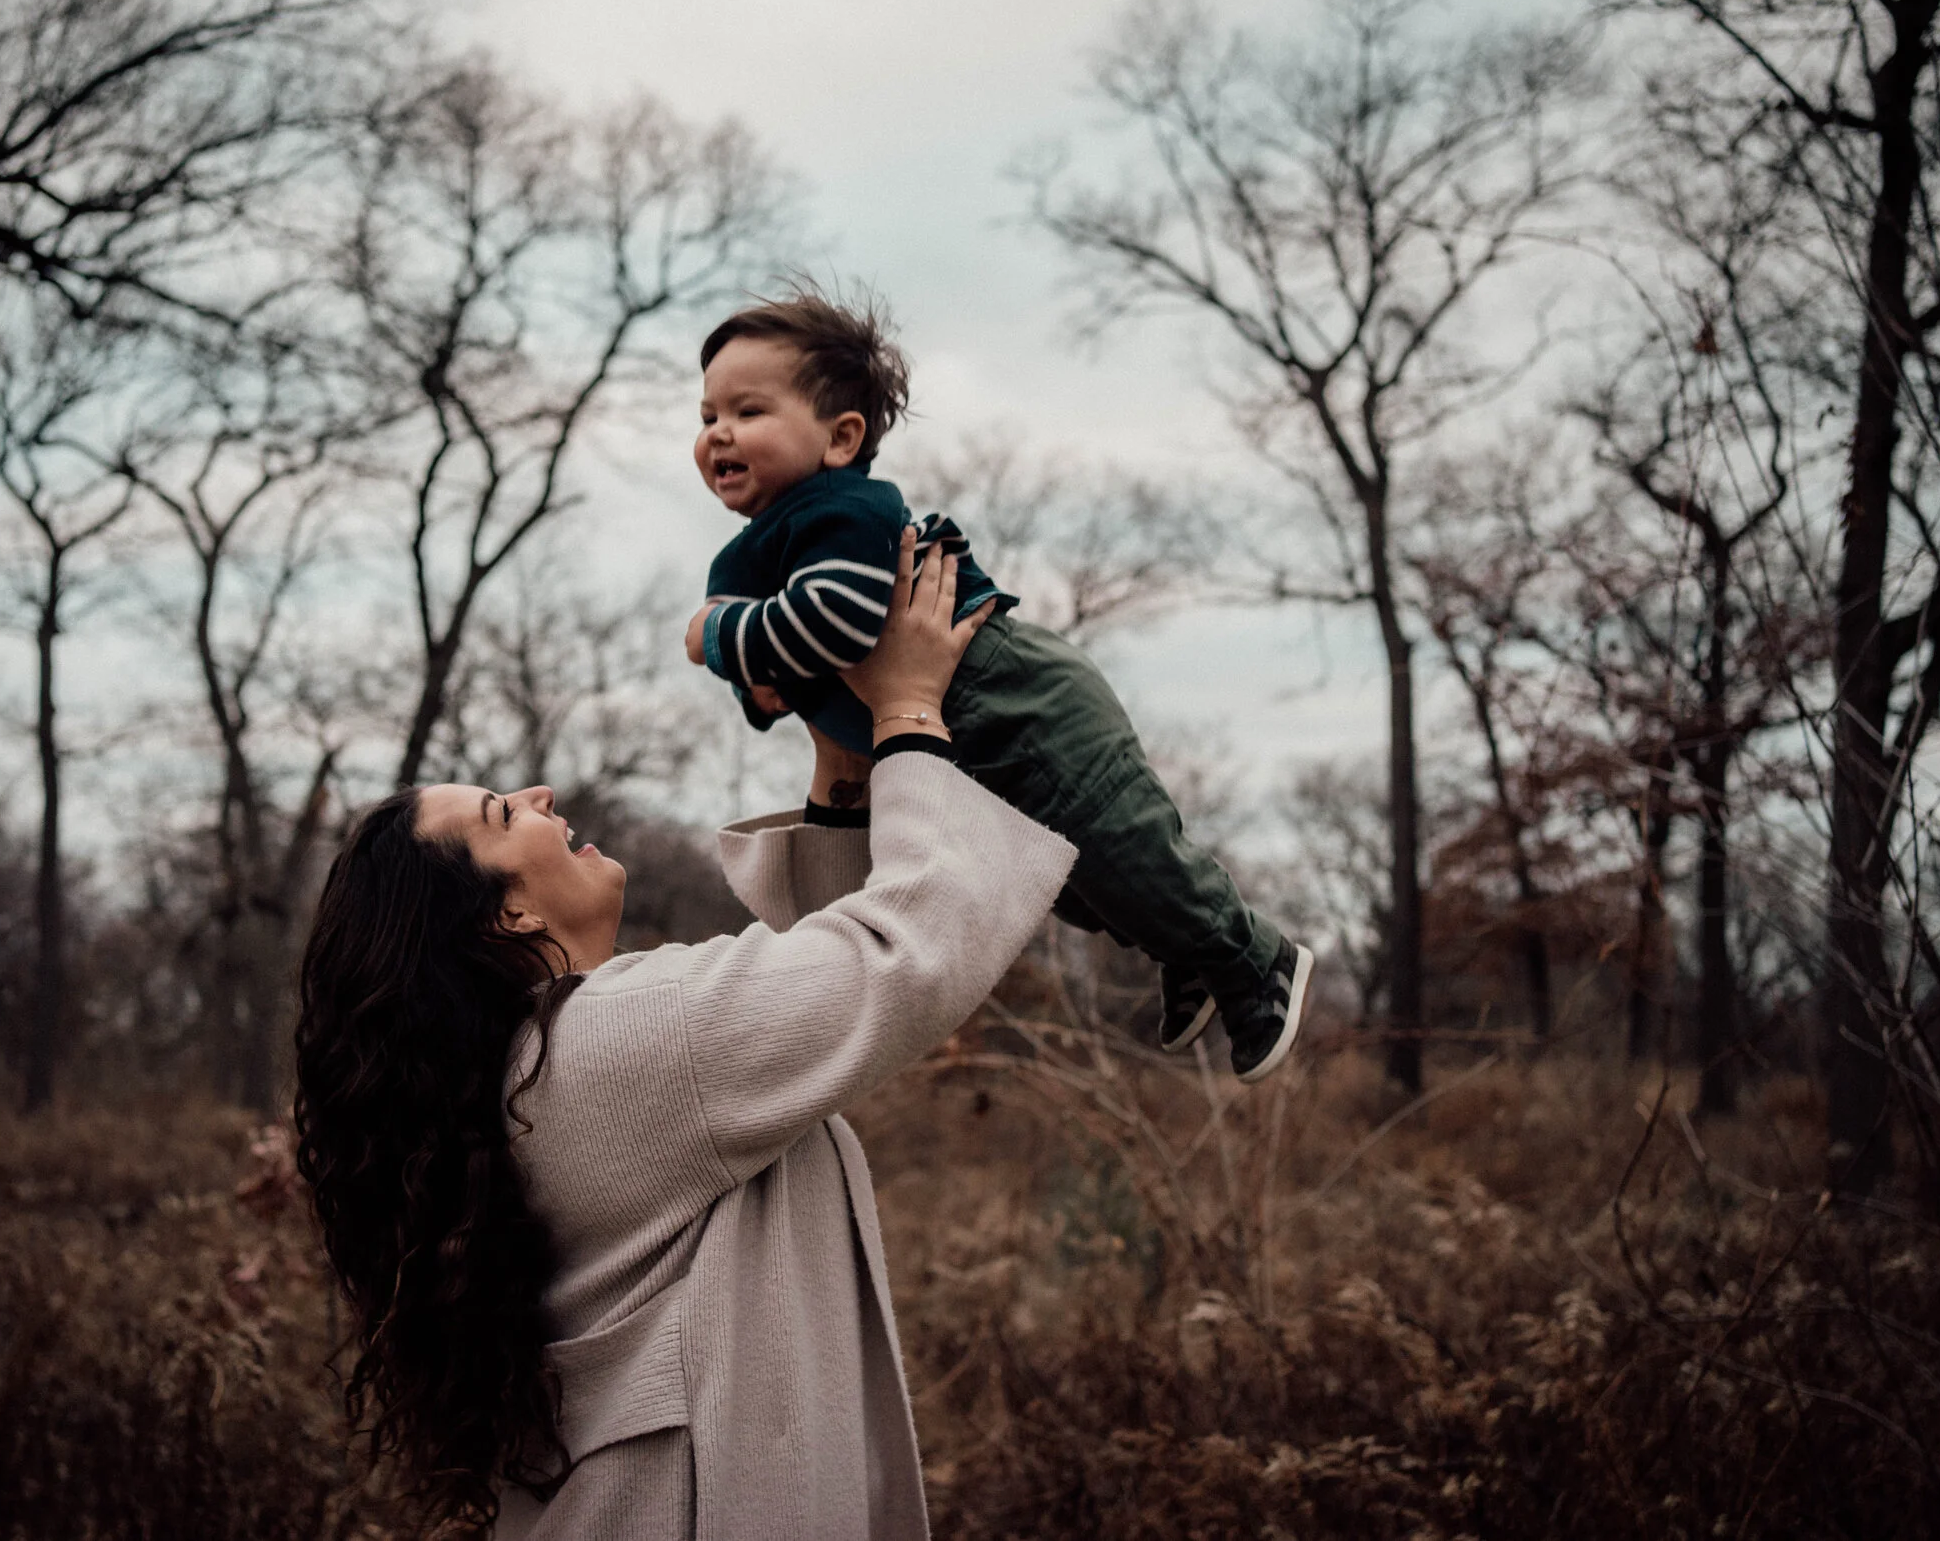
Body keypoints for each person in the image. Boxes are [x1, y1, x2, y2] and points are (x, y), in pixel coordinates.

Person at [295, 535, 1076, 1538]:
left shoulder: (529, 1070)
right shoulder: (618, 1037)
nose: (538, 795)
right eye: (501, 812)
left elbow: (808, 1021)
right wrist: (908, 712)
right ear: (508, 915)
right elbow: (899, 956)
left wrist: (843, 767)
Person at [684, 287, 1312, 1083]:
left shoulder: (841, 512)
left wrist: (716, 636)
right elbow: (782, 672)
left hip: (1018, 704)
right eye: (707, 416)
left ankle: (1255, 959)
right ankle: (1184, 947)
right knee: (1074, 883)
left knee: (1120, 846)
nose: (719, 433)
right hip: (961, 741)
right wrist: (758, 682)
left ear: (841, 437)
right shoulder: (756, 552)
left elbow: (832, 625)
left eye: (748, 411)